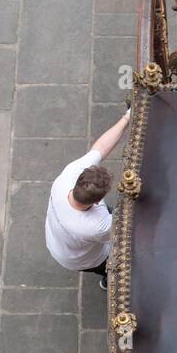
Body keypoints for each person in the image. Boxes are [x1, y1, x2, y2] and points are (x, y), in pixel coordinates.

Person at [44, 110, 130, 289]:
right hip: (82, 259)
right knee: (113, 265)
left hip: (58, 243)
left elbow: (99, 149)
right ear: (97, 201)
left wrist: (127, 118)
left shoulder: (66, 178)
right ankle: (108, 281)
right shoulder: (98, 226)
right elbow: (127, 230)